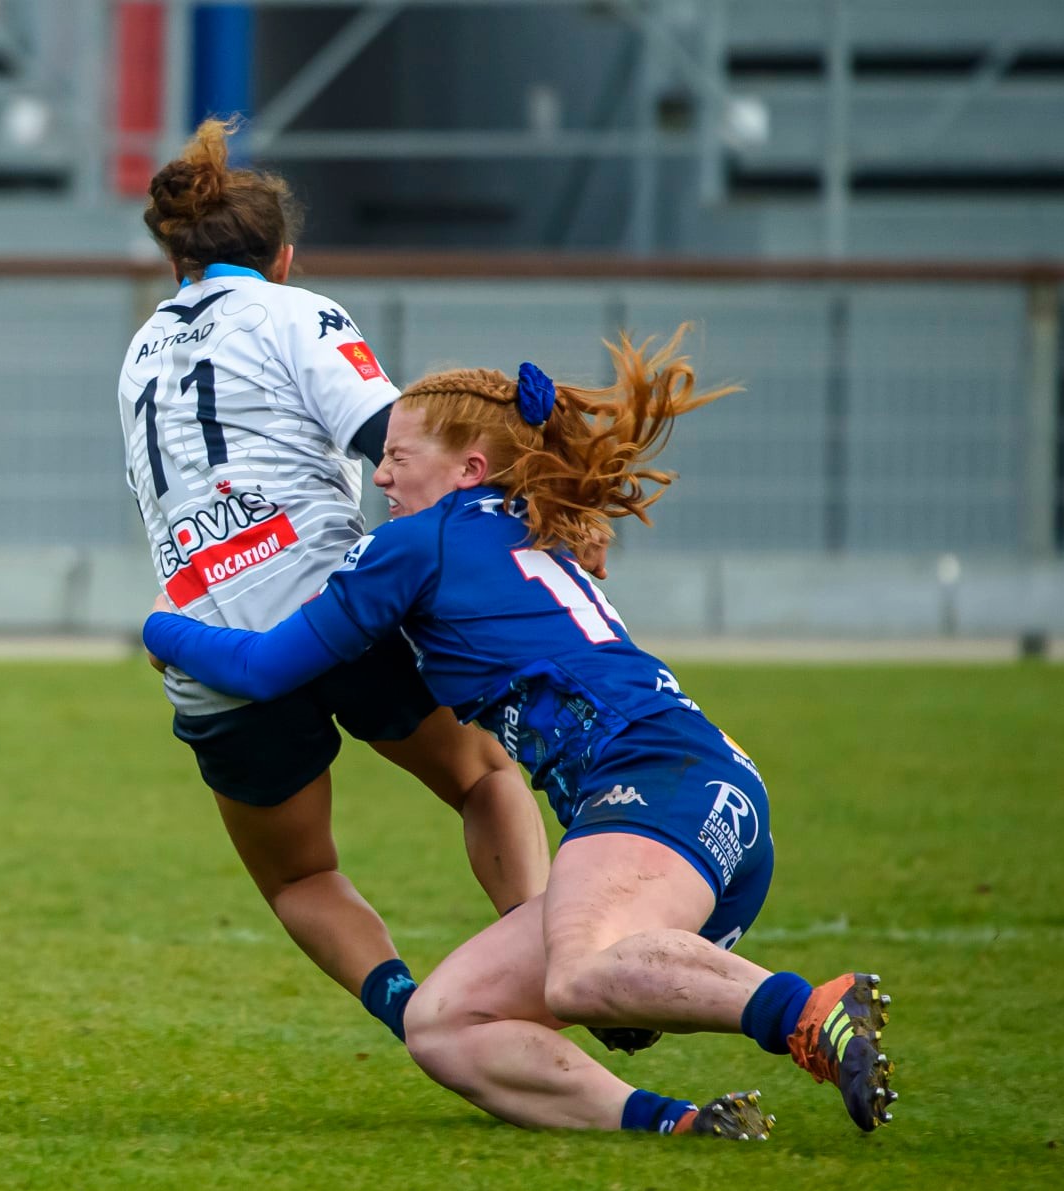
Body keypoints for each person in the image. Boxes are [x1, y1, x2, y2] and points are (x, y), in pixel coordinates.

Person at [142, 329, 899, 1137]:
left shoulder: (417, 542)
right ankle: (674, 1125)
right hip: (697, 795)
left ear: (469, 468)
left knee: (575, 974)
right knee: (440, 1024)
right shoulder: (514, 519)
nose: (379, 472)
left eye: (398, 455)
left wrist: (161, 628)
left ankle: (807, 1011)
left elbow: (263, 670)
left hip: (654, 782)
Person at [119, 117, 560, 1047]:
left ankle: (421, 1015)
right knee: (482, 776)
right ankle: (555, 966)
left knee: (297, 877)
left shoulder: (138, 354)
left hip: (214, 643)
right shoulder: (297, 312)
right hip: (336, 605)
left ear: (176, 265)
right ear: (284, 257)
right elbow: (391, 443)